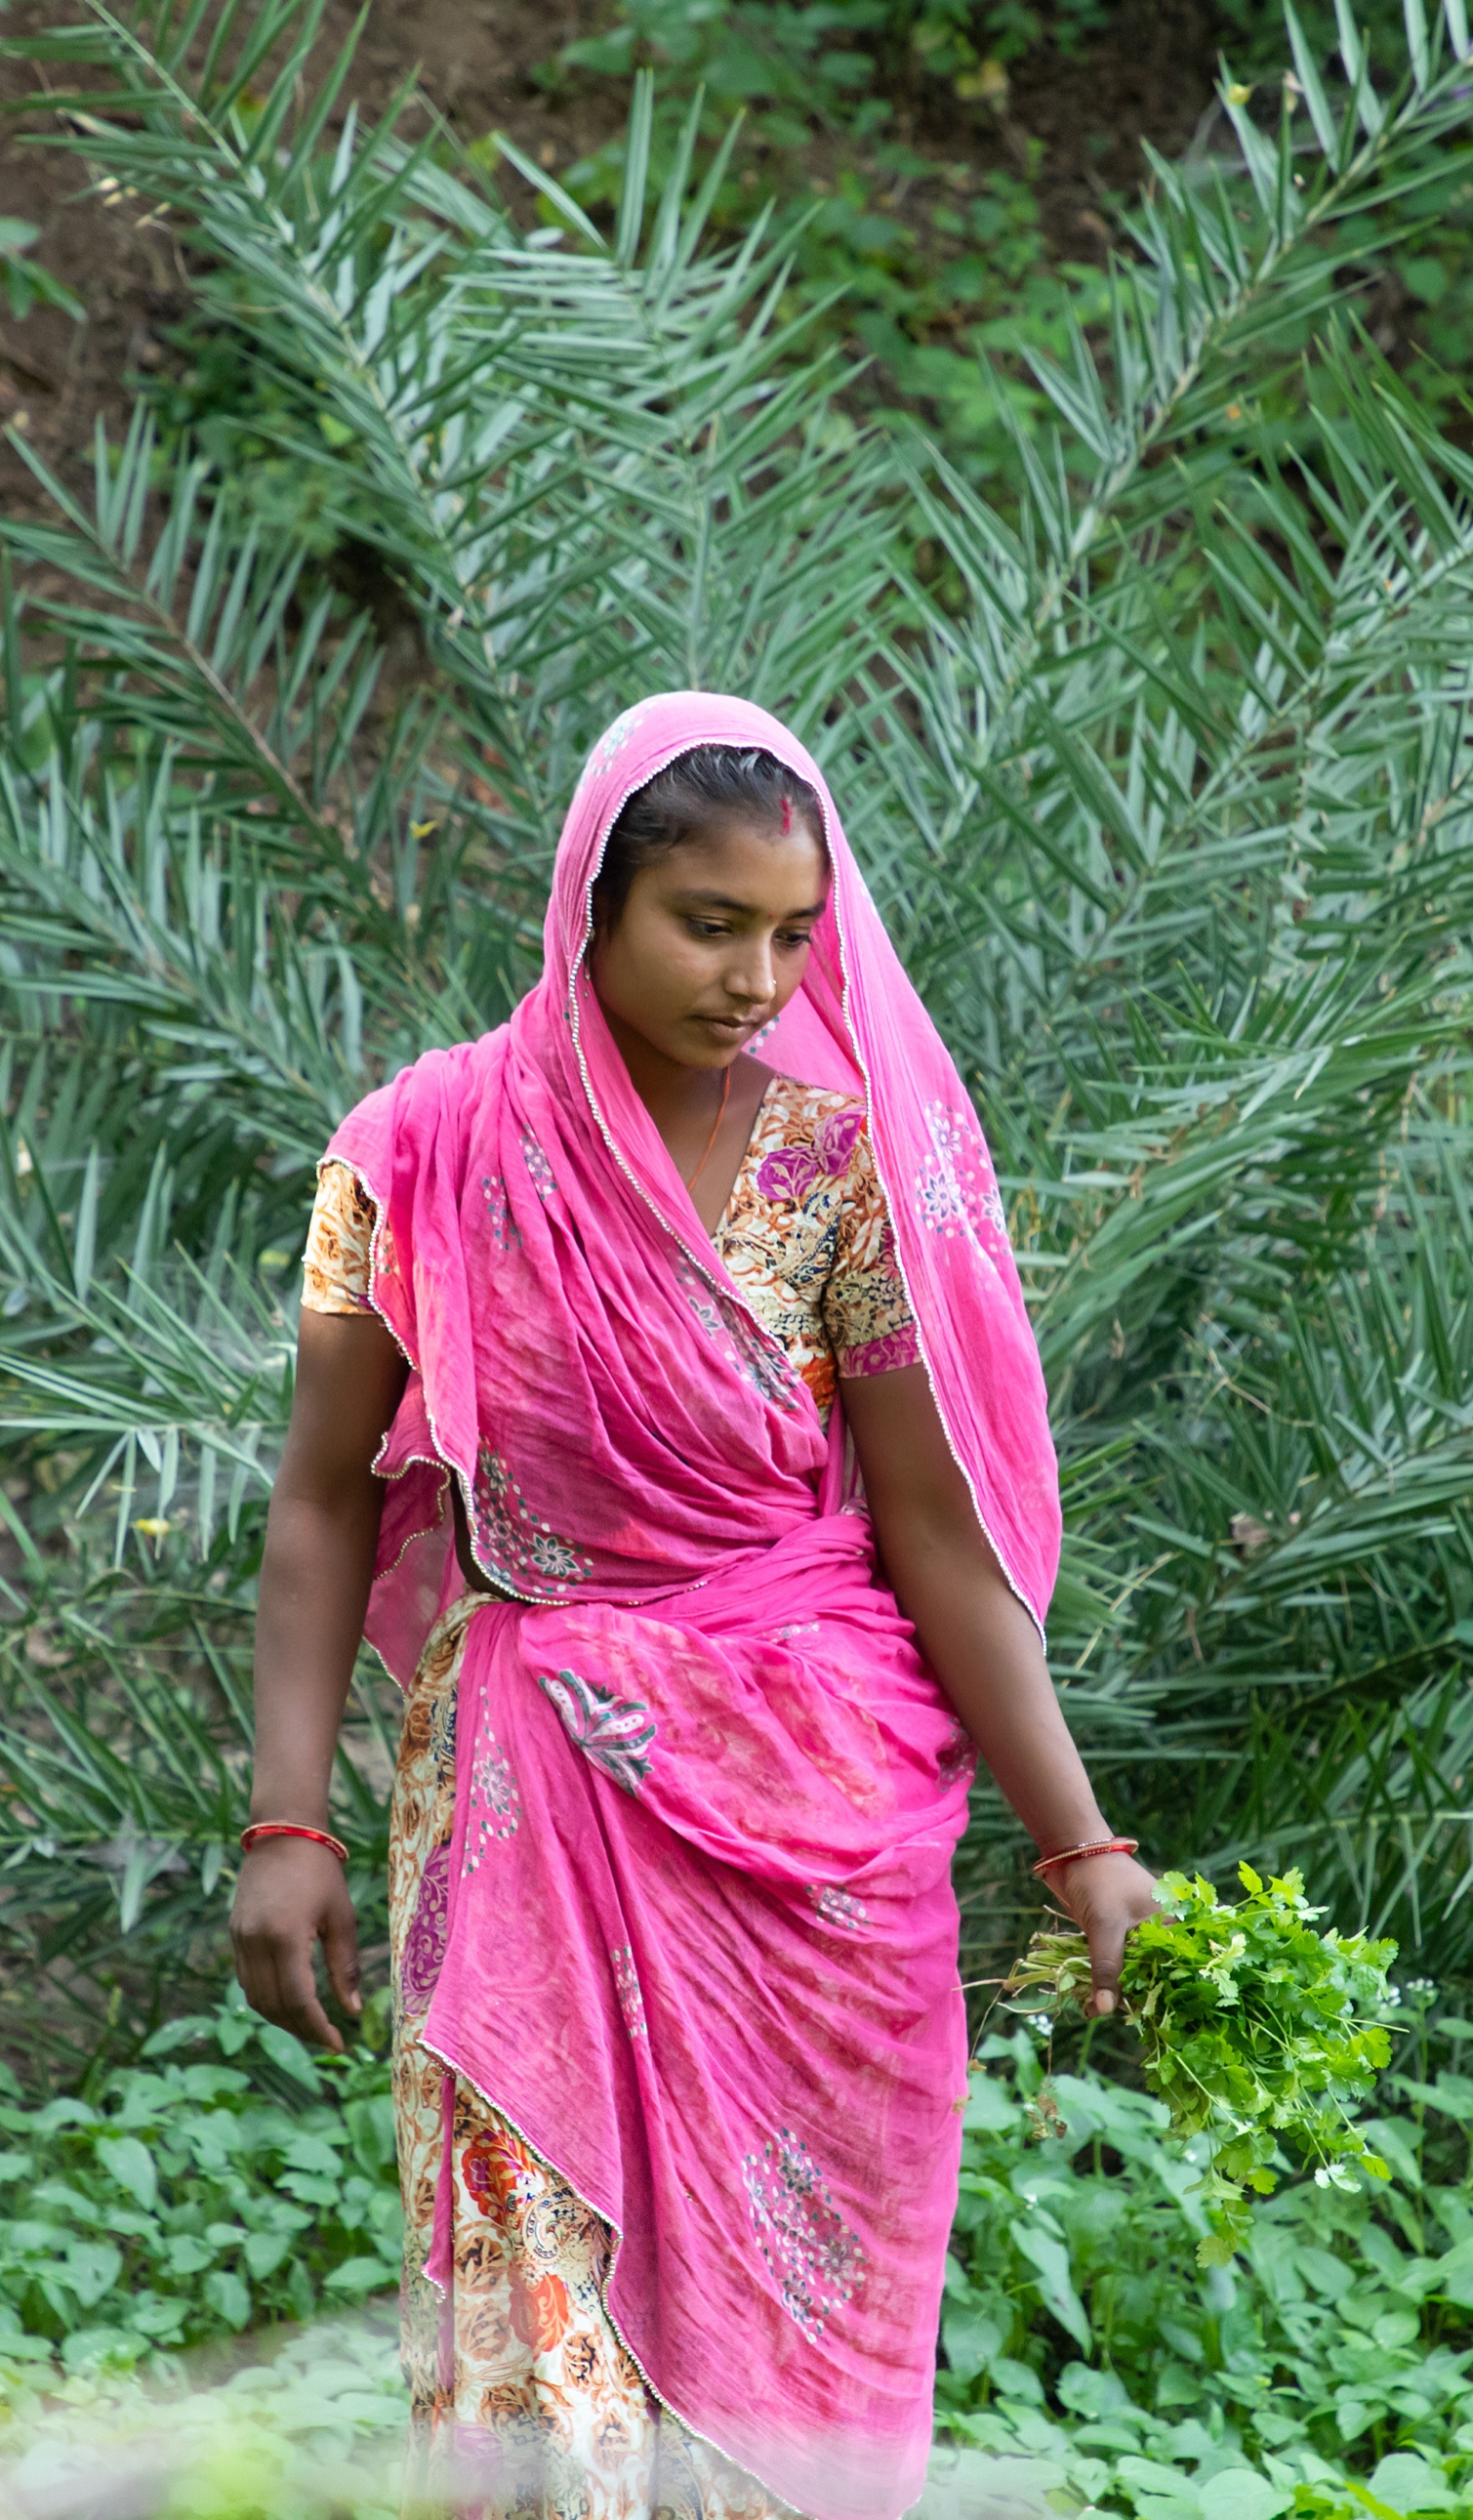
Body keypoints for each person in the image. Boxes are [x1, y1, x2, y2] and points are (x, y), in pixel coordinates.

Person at [231, 692, 1161, 2520]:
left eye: (793, 931)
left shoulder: (841, 1171)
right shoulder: (412, 1151)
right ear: (591, 897)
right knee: (533, 2357)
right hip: (533, 1813)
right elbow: (322, 1493)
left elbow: (935, 1539)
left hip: (822, 1832)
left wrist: (1081, 1843)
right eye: (706, 922)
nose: (753, 974)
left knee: (801, 2394)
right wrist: (286, 1814)